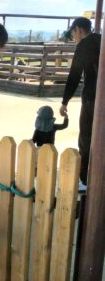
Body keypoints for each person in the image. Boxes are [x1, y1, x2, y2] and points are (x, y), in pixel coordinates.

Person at [59, 17, 101, 187]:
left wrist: (64, 102)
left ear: (78, 29)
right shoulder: (101, 40)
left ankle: (84, 179)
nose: (74, 37)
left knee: (86, 138)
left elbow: (74, 76)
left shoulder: (84, 46)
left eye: (73, 33)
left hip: (92, 99)